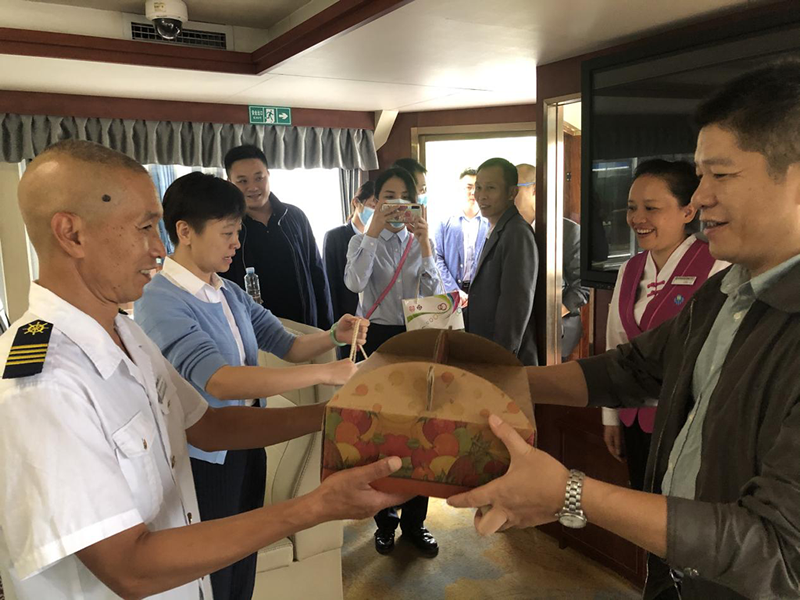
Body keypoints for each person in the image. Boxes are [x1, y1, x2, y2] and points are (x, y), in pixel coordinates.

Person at [448, 63, 800, 600]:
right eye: (699, 176)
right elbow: (631, 369)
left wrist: (569, 494)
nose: (701, 196)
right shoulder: (725, 292)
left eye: (721, 175)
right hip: (674, 577)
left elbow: (777, 551)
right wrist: (496, 381)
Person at [0, 140, 410, 600]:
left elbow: (209, 426)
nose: (159, 249)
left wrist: (333, 416)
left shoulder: (126, 334)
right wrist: (316, 506)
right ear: (72, 234)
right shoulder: (44, 383)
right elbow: (129, 569)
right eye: (145, 228)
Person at [134, 171, 367, 600]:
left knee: (243, 560)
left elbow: (288, 345)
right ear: (184, 231)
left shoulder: (227, 291)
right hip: (202, 457)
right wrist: (324, 374)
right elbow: (220, 380)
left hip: (246, 443)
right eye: (227, 233)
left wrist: (335, 335)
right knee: (212, 570)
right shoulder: (159, 299)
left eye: (237, 232)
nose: (236, 243)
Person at [600, 160, 728, 492]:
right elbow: (616, 346)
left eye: (651, 208)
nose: (637, 218)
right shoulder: (630, 269)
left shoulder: (717, 265)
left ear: (688, 211)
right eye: (632, 208)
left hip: (687, 421)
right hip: (634, 416)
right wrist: (611, 416)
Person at [344, 166, 440, 557]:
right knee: (380, 432)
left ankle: (416, 522)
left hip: (414, 337)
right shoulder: (360, 240)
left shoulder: (421, 240)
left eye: (405, 197)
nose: (398, 204)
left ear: (416, 202)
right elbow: (354, 283)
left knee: (419, 430)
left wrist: (426, 245)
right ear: (376, 200)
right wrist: (372, 231)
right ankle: (384, 522)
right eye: (389, 196)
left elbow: (434, 295)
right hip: (376, 339)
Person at [222, 144, 333, 330]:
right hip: (256, 331)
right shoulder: (227, 227)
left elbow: (317, 274)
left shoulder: (295, 216)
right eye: (242, 181)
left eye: (259, 178)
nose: (252, 187)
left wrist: (326, 329)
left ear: (268, 175)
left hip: (305, 327)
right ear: (229, 182)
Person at [467, 158, 539, 365]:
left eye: (491, 188)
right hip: (486, 349)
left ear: (511, 193)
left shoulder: (516, 233)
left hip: (503, 357)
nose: (482, 195)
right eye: (478, 187)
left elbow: (516, 305)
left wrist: (502, 359)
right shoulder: (497, 228)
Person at [516, 163, 589, 360]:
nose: (509, 195)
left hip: (557, 330)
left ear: (534, 190)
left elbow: (582, 286)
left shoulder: (568, 232)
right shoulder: (509, 232)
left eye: (515, 188)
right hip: (519, 332)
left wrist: (550, 317)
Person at [323, 180, 377, 359]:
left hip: (376, 324)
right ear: (356, 203)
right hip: (349, 324)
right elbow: (331, 286)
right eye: (373, 205)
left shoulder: (382, 241)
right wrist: (337, 328)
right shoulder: (335, 237)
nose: (376, 212)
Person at [433, 168, 490, 298]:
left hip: (481, 292)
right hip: (450, 292)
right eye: (468, 187)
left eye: (477, 187)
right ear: (460, 189)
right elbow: (437, 257)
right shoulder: (444, 223)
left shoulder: (489, 224)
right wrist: (453, 290)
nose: (473, 192)